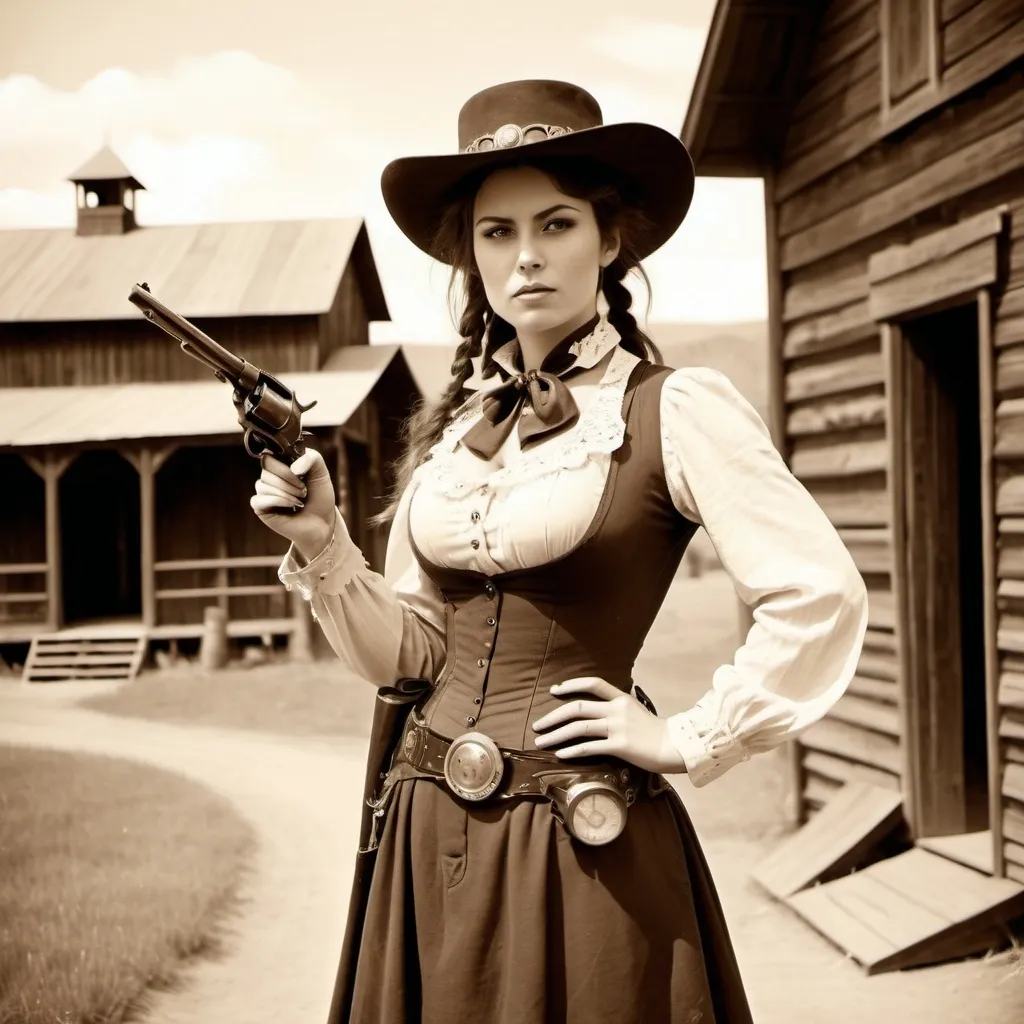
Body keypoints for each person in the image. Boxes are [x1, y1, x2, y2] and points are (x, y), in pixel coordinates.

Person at [252, 80, 869, 1024]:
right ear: (473, 258)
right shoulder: (452, 433)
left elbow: (817, 592)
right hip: (428, 827)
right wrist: (326, 545)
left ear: (610, 239)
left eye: (556, 223)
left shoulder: (674, 408)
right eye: (496, 233)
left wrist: (684, 737)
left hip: (587, 838)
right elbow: (411, 658)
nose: (526, 255)